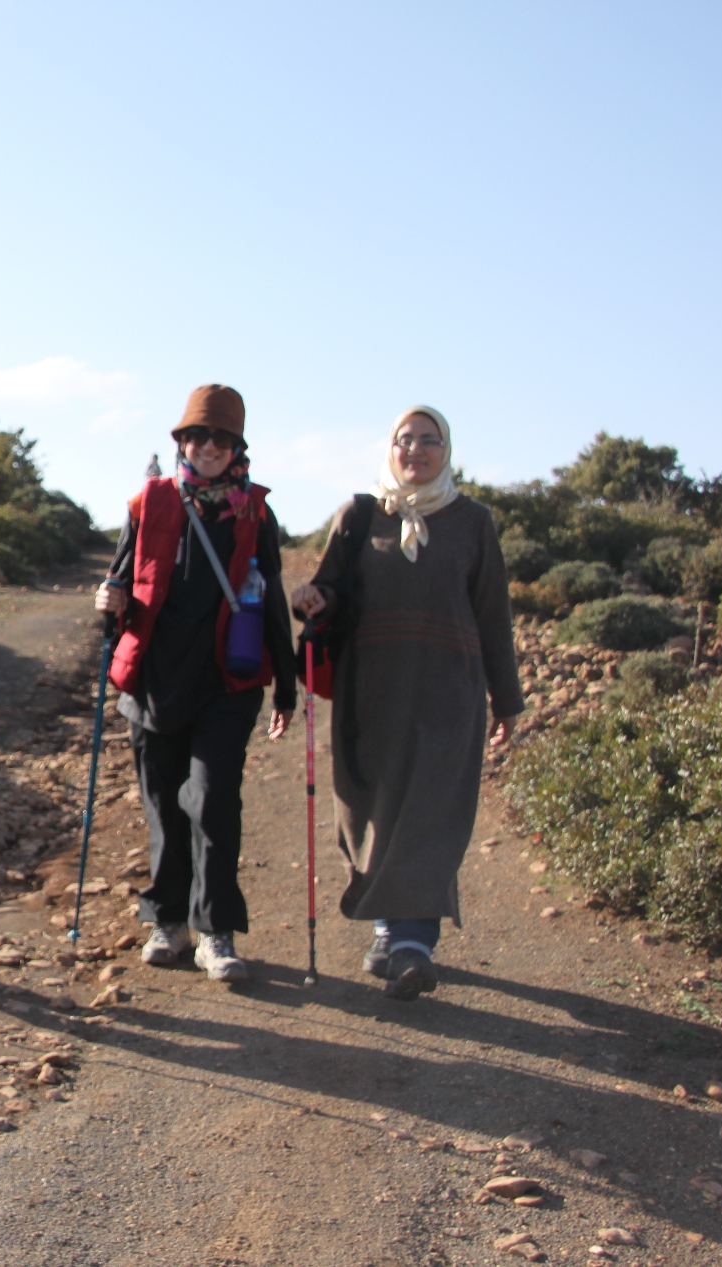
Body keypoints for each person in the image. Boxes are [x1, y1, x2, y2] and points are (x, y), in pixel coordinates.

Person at [290, 406, 521, 1000]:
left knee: (432, 812)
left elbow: (493, 615)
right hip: (374, 687)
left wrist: (507, 700)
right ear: (389, 449)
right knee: (369, 809)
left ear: (447, 452)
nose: (415, 450)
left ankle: (412, 940)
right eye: (404, 440)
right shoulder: (360, 515)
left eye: (429, 441)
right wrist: (314, 600)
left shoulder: (473, 522)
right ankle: (389, 929)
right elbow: (332, 590)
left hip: (451, 689)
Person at [96, 385, 296, 980]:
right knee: (163, 805)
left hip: (226, 683)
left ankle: (216, 932)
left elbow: (275, 599)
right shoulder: (149, 503)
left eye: (222, 438)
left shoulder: (254, 512)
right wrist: (107, 600)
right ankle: (169, 920)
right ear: (181, 441)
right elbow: (122, 579)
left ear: (237, 448)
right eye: (198, 436)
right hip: (155, 680)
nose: (209, 447)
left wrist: (287, 685)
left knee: (211, 801)